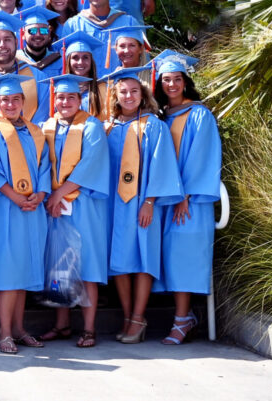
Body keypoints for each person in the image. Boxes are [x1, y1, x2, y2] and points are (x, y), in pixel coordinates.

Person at [100, 66, 183, 344]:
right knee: (119, 262)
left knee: (144, 258)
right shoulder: (108, 126)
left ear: (143, 93)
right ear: (115, 95)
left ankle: (138, 317)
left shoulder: (154, 125)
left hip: (143, 203)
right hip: (114, 204)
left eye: (134, 90)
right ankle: (128, 317)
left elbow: (162, 166)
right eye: (123, 91)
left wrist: (150, 201)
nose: (129, 95)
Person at [0, 72, 51, 354]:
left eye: (15, 99)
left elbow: (45, 167)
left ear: (23, 101)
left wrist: (40, 194)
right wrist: (16, 197)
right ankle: (4, 331)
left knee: (25, 269)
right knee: (7, 270)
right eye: (4, 100)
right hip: (4, 209)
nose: (10, 104)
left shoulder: (35, 131)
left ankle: (19, 329)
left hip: (32, 209)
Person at [151, 51, 222, 345]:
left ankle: (182, 320)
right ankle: (184, 317)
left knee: (183, 256)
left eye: (176, 79)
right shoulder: (161, 116)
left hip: (189, 202)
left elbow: (201, 159)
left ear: (185, 82)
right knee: (169, 255)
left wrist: (184, 195)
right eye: (166, 79)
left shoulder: (199, 115)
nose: (171, 84)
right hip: (166, 201)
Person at [38, 74, 111, 348]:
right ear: (54, 100)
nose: (65, 101)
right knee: (59, 264)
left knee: (88, 265)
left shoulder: (91, 126)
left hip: (84, 205)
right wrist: (51, 196)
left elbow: (89, 164)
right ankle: (62, 325)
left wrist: (58, 193)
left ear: (79, 100)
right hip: (55, 208)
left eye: (71, 97)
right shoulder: (47, 126)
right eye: (61, 97)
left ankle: (89, 329)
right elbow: (40, 163)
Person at [56, 0, 139, 75]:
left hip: (119, 86)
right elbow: (66, 62)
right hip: (86, 88)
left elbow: (139, 58)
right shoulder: (73, 25)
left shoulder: (129, 22)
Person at [56, 31, 108, 119]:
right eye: (75, 57)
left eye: (85, 57)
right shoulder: (58, 90)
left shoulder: (103, 89)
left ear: (91, 61)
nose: (80, 62)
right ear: (68, 61)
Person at [15, 6, 63, 79]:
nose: (38, 34)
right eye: (32, 31)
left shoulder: (59, 61)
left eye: (43, 30)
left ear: (49, 34)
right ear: (23, 35)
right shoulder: (15, 60)